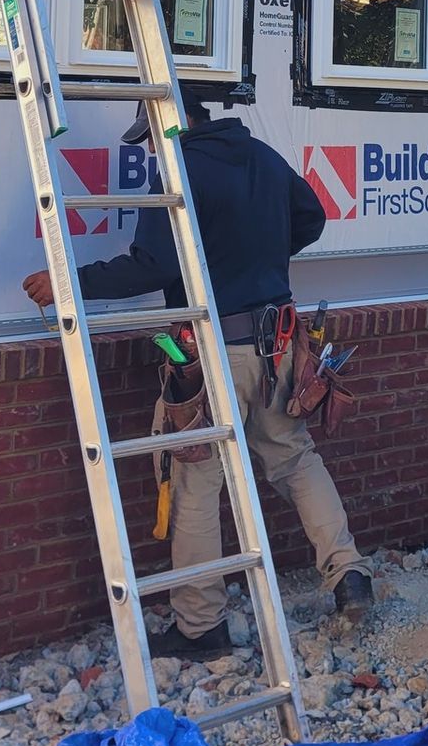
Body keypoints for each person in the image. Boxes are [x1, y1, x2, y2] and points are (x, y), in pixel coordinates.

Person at [21, 86, 372, 656]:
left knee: (195, 479)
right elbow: (311, 216)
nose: (151, 152)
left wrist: (68, 283)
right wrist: (255, 256)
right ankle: (350, 576)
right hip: (281, 345)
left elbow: (150, 265)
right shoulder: (261, 156)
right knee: (294, 458)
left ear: (171, 120)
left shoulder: (179, 169)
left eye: (151, 139)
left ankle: (200, 625)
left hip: (217, 352)